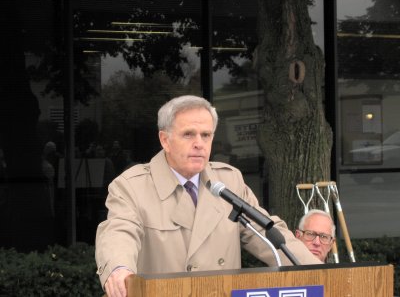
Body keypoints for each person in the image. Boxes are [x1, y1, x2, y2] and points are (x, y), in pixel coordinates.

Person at [95, 95, 322, 297]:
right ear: (165, 140)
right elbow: (118, 232)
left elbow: (268, 233)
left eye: (206, 135)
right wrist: (119, 269)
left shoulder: (228, 182)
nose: (199, 144)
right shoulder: (132, 186)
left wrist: (320, 274)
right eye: (188, 134)